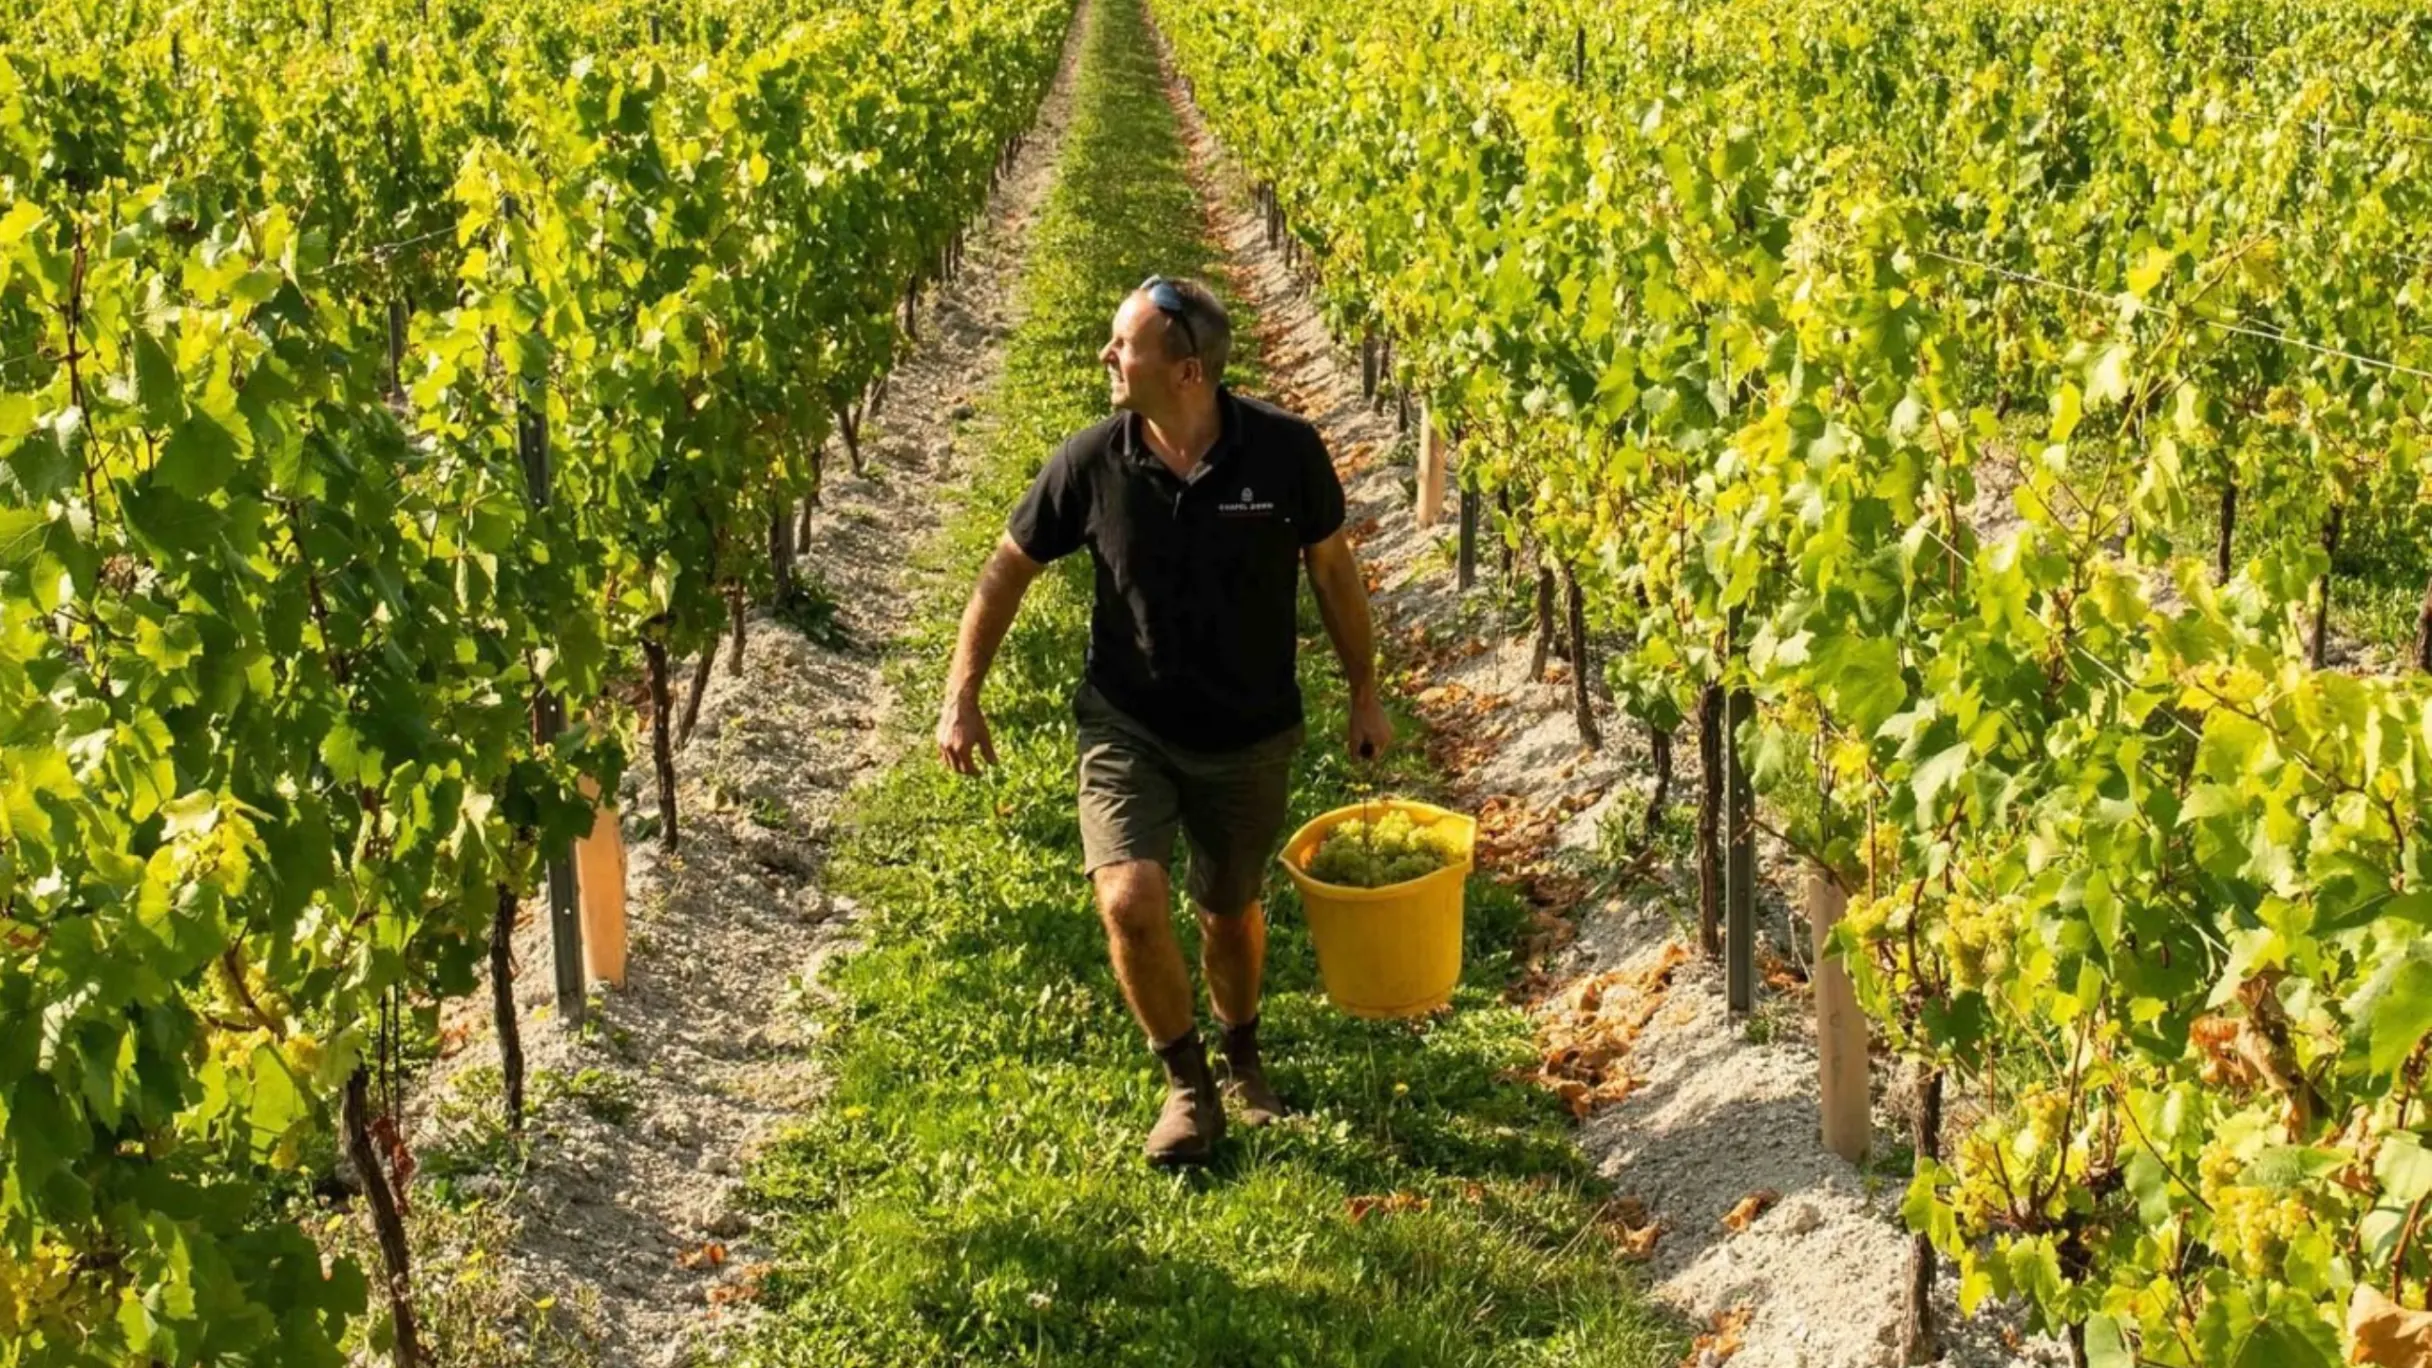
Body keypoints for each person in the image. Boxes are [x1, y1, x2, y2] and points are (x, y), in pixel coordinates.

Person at [934, 275, 1391, 1166]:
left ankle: (1242, 1050)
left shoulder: (1286, 453)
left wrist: (1363, 690)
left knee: (1228, 913)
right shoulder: (1090, 461)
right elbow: (1006, 570)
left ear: (1187, 372)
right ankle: (1188, 1087)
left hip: (1252, 729)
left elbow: (1334, 573)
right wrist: (963, 691)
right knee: (1130, 899)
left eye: (1124, 344)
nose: (1108, 355)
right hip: (1126, 723)